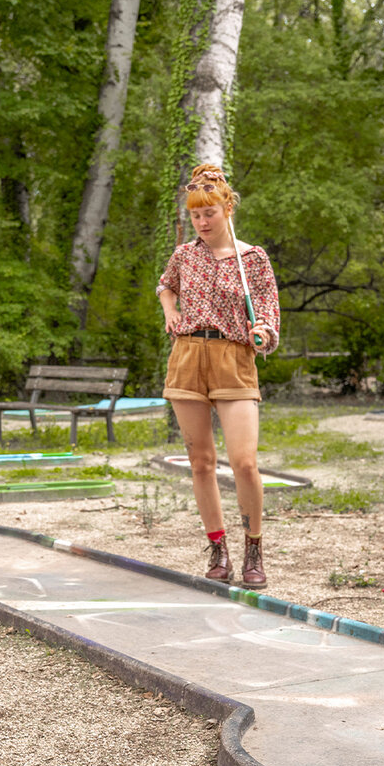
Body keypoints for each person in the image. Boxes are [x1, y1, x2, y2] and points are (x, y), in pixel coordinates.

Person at [157, 164, 280, 589]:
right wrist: (171, 310)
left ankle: (254, 549)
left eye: (209, 213)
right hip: (189, 355)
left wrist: (263, 331)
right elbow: (165, 286)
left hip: (233, 357)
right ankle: (217, 548)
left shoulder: (253, 259)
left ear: (228, 209)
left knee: (244, 462)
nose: (202, 222)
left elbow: (268, 313)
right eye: (195, 215)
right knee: (202, 462)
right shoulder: (184, 255)